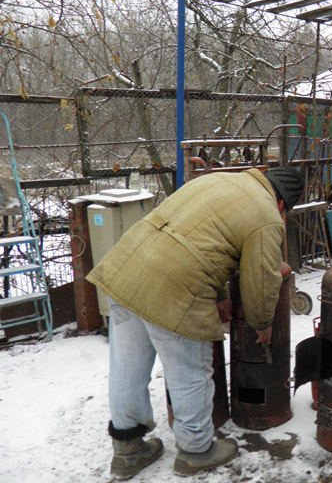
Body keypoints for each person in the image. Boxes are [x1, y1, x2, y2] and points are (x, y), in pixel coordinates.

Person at [87, 166, 305, 479]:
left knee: (127, 368)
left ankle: (128, 449)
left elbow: (195, 238)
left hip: (127, 268)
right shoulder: (267, 215)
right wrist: (261, 323)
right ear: (283, 203)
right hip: (175, 287)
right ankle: (196, 450)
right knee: (190, 372)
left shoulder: (218, 180)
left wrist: (218, 295)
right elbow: (261, 278)